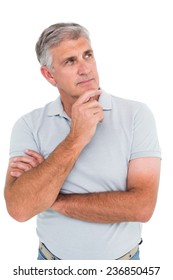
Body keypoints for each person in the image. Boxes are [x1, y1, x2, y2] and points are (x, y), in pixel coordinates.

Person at [4, 23, 161, 260]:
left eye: (87, 55)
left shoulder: (136, 115)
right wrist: (76, 138)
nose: (85, 68)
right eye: (70, 61)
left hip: (124, 265)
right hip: (51, 264)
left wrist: (50, 199)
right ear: (49, 75)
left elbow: (142, 207)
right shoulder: (28, 125)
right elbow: (19, 209)